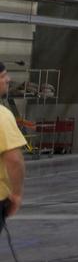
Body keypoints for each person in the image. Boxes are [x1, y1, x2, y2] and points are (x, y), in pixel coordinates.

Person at [0, 60, 27, 231]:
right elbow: (13, 160)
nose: (8, 79)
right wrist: (16, 194)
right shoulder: (2, 116)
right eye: (3, 76)